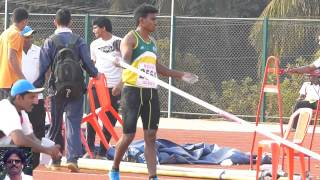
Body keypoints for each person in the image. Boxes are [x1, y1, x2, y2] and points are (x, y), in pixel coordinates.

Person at [109, 4, 198, 180]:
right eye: (153, 19)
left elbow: (157, 68)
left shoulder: (153, 42)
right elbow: (126, 57)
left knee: (151, 135)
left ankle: (152, 176)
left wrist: (181, 75)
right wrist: (120, 65)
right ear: (141, 20)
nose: (156, 23)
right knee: (128, 136)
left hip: (150, 93)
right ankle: (114, 168)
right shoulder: (131, 38)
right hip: (133, 92)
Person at [33, 8, 99, 172]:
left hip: (56, 88)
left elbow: (43, 67)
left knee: (55, 124)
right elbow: (87, 64)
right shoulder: (79, 40)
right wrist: (95, 73)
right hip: (76, 88)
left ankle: (55, 160)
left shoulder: (50, 41)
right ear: (71, 22)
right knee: (73, 122)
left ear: (55, 22)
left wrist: (37, 86)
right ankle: (73, 159)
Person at [84, 17, 122, 159]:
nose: (93, 30)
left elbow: (127, 64)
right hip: (97, 86)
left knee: (111, 119)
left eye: (95, 27)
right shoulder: (94, 44)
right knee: (91, 116)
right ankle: (90, 149)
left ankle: (103, 151)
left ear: (104, 28)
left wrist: (121, 84)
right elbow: (92, 64)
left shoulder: (119, 42)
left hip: (114, 87)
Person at [0, 80, 61, 160]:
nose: (35, 102)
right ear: (18, 98)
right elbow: (20, 140)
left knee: (22, 150)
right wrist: (48, 151)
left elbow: (32, 139)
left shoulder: (21, 112)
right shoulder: (7, 108)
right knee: (19, 149)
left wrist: (52, 149)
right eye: (31, 97)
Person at [21, 26, 46, 169]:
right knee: (19, 130)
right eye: (26, 36)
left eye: (31, 36)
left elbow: (45, 72)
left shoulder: (39, 50)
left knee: (38, 131)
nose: (29, 39)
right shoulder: (14, 52)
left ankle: (34, 164)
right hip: (19, 99)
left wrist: (35, 89)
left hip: (37, 97)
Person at [0, 7, 29, 100]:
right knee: (12, 112)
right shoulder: (16, 34)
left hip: (2, 80)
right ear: (24, 21)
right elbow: (11, 57)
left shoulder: (5, 33)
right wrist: (23, 79)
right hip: (11, 82)